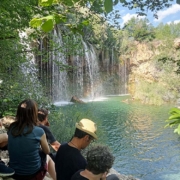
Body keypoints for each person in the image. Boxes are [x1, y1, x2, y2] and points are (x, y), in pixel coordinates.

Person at [7, 99, 56, 180]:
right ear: (33, 114)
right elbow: (47, 151)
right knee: (48, 157)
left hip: (15, 173)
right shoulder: (39, 131)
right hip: (33, 175)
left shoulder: (12, 127)